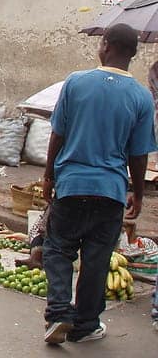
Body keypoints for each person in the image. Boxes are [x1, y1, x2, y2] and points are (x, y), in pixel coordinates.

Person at [42, 24, 156, 345]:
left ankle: (59, 313)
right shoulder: (141, 97)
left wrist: (49, 175)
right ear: (133, 54)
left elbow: (58, 134)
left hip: (72, 185)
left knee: (58, 250)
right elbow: (138, 153)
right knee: (96, 260)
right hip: (111, 191)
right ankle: (85, 325)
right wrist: (138, 192)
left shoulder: (76, 83)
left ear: (104, 45)